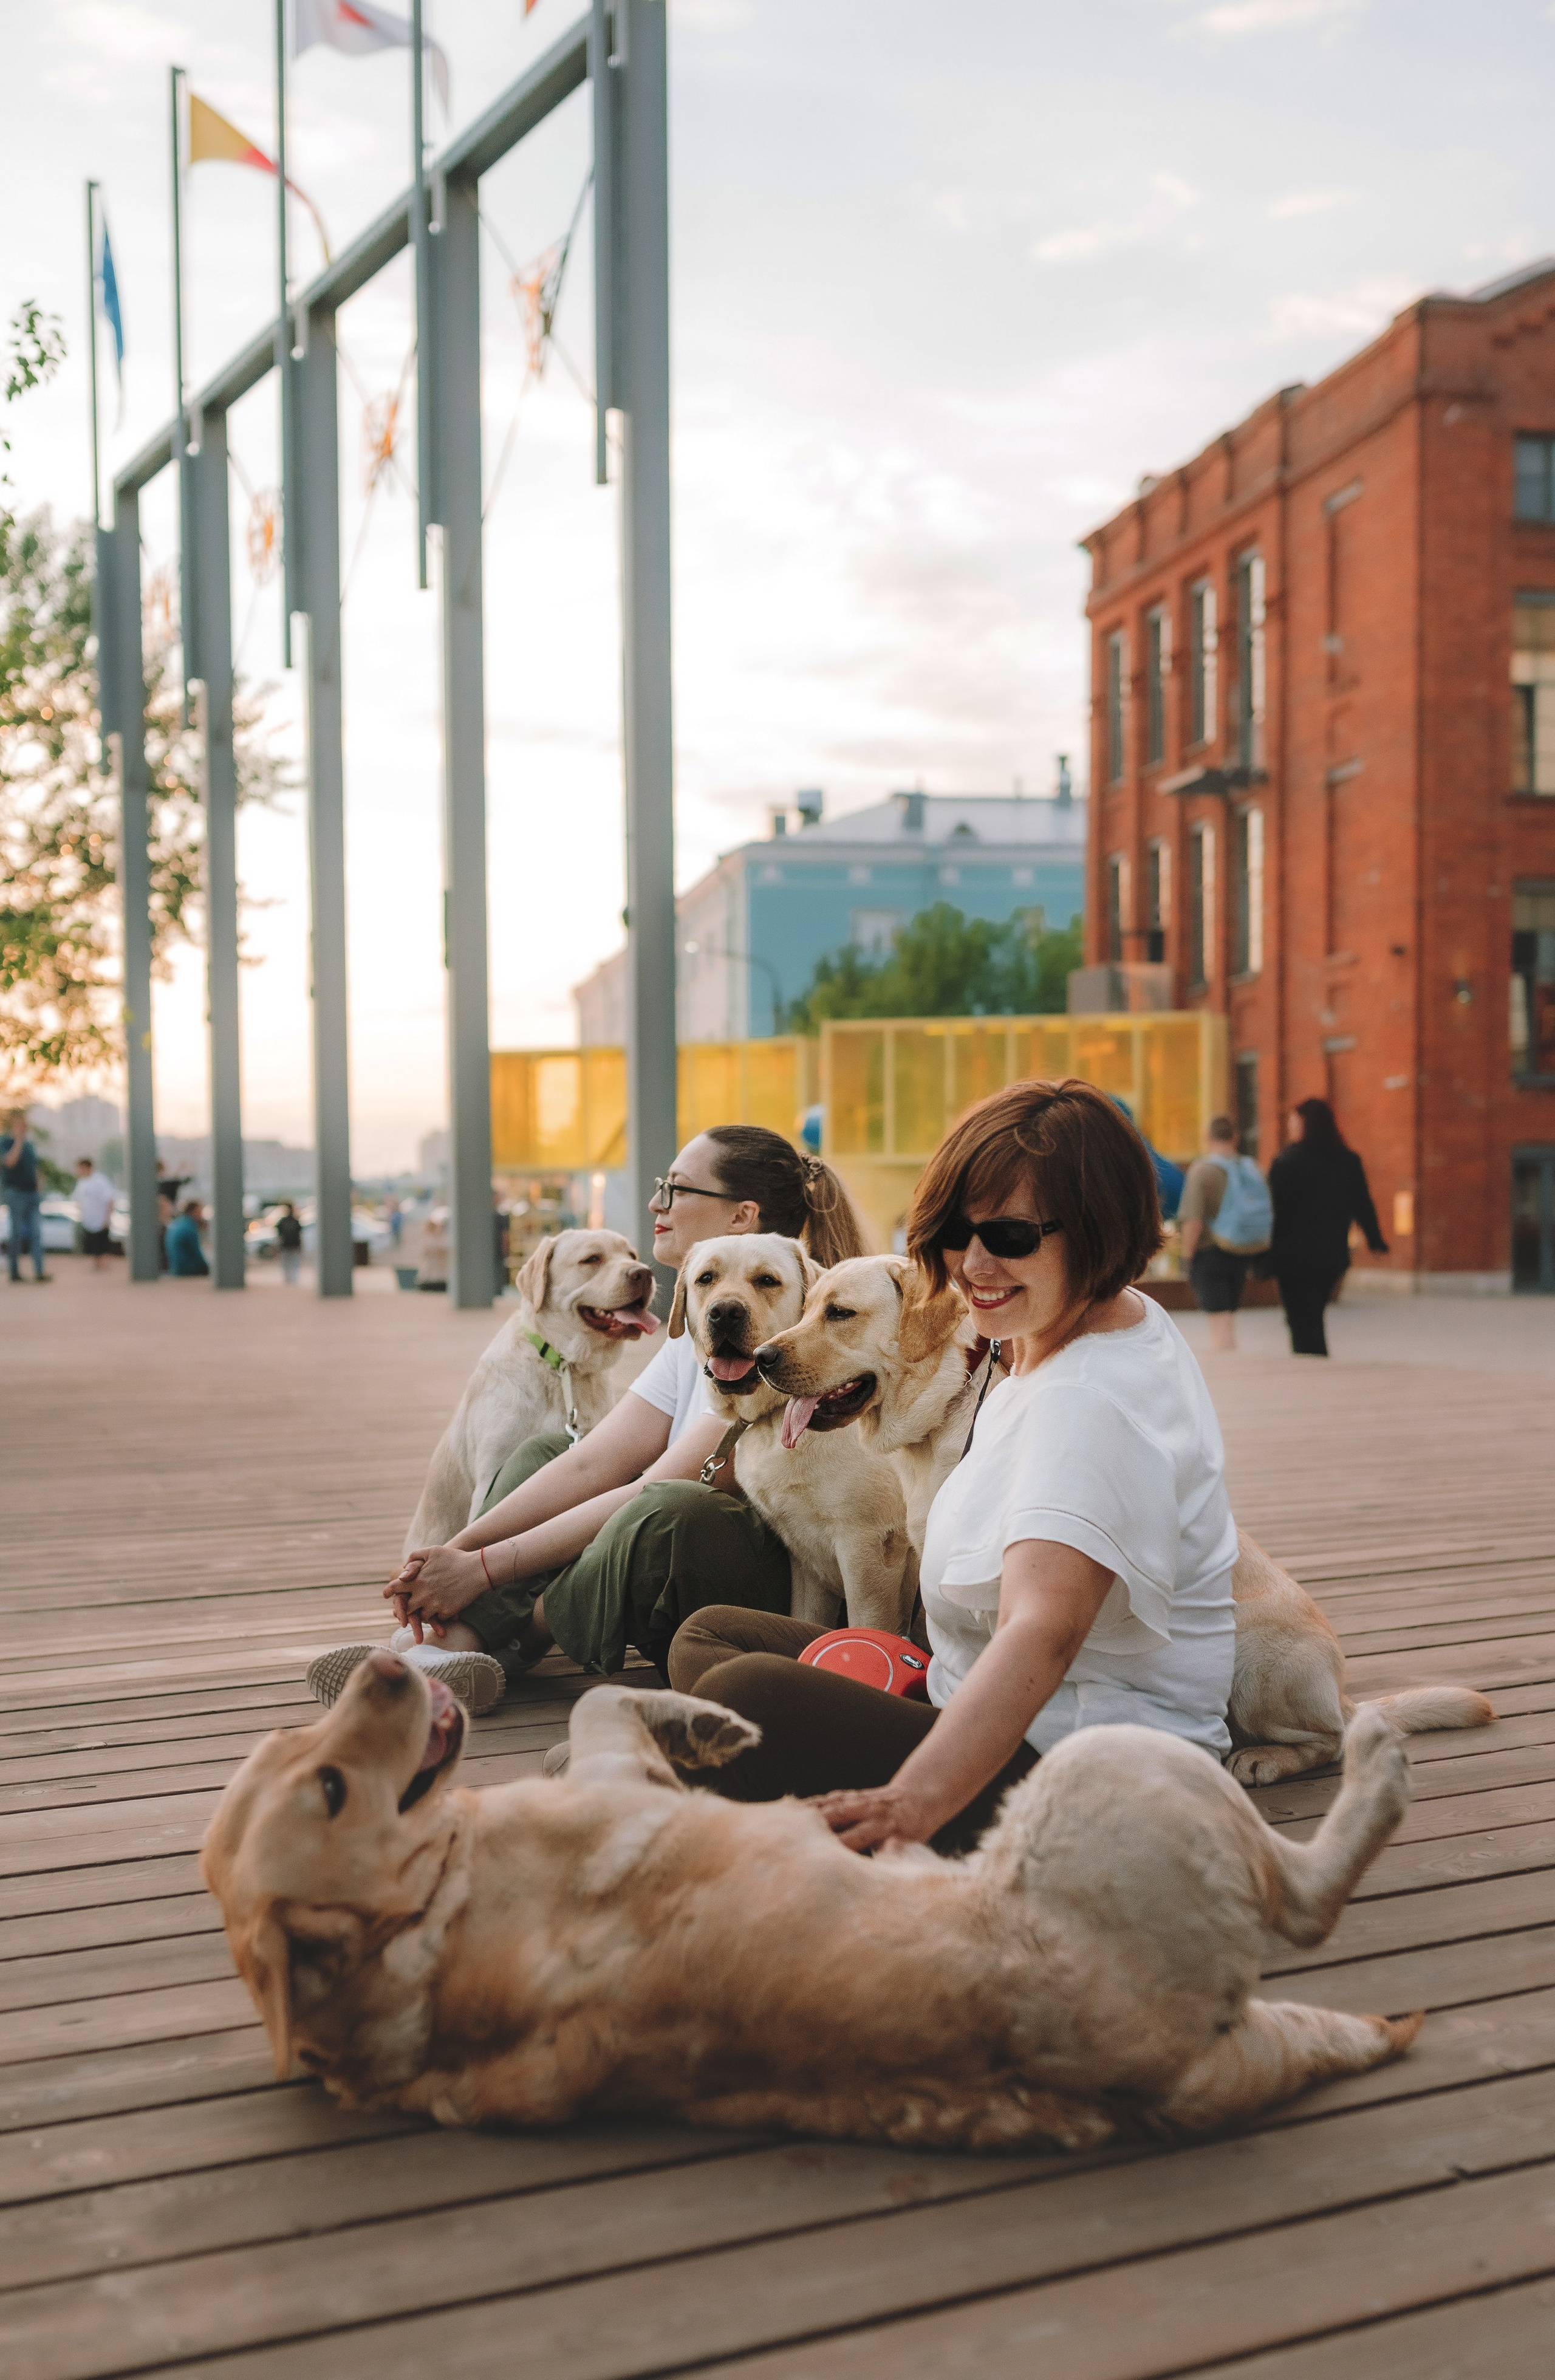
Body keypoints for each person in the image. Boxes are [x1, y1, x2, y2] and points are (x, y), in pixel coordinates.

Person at [668, 1078, 1239, 1859]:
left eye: (1009, 1236)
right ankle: (700, 1791)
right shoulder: (1088, 1328)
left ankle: (696, 1807)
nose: (970, 1265)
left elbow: (1044, 1631)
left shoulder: (1087, 1403)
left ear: (1101, 1229)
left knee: (740, 1691)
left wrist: (910, 1804)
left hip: (1085, 1780)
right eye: (947, 1232)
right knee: (711, 1638)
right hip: (984, 1704)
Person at [306, 1126, 869, 1711]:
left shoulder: (796, 1320)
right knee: (547, 1452)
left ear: (740, 1215)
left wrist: (481, 1570)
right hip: (684, 1555)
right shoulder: (708, 1318)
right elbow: (595, 1462)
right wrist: (455, 1551)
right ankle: (462, 1645)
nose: (657, 1204)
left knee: (663, 1509)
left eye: (675, 1188)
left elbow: (668, 1480)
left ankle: (507, 1642)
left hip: (756, 1596)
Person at [1265, 1098, 1388, 1358]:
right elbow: (1363, 1204)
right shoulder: (1348, 1161)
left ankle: (1311, 1362)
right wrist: (1375, 1240)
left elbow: (1274, 1212)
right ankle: (1314, 1358)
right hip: (1331, 1255)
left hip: (1293, 1256)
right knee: (1312, 1312)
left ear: (1304, 1124)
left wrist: (1265, 1255)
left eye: (1294, 1121)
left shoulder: (1288, 1161)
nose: (1290, 1126)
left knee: (1300, 1316)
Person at [1178, 1113, 1272, 1355]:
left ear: (1207, 1138)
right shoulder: (1252, 1168)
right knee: (1228, 1311)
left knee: (1219, 1317)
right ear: (1236, 1138)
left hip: (1210, 1251)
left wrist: (1188, 1255)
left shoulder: (1203, 1171)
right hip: (1243, 1248)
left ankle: (1227, 1356)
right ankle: (1230, 1349)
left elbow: (1193, 1220)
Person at [2, 1112, 50, 1284]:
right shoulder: (6, 1142)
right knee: (16, 1234)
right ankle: (14, 1273)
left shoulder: (30, 1145)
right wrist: (19, 1140)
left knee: (36, 1234)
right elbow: (10, 1162)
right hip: (15, 1193)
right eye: (19, 1125)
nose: (23, 1128)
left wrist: (39, 1186)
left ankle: (39, 1272)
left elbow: (34, 1167)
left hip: (32, 1194)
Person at [74, 1156, 117, 1271]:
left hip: (101, 1219)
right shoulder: (82, 1182)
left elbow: (110, 1199)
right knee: (93, 1245)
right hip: (89, 1221)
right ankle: (97, 1265)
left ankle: (105, 1267)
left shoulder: (100, 1181)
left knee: (102, 1244)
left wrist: (107, 1218)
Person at [165, 1197, 211, 1277]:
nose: (201, 1215)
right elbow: (197, 1254)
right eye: (200, 1212)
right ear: (194, 1212)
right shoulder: (189, 1228)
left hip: (175, 1268)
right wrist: (208, 1268)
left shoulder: (178, 1223)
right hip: (187, 1270)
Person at [275, 1200, 304, 1286]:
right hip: (293, 1245)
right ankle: (292, 1279)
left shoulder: (283, 1222)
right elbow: (299, 1235)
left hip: (287, 1245)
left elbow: (279, 1236)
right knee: (293, 1263)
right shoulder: (295, 1221)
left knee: (287, 1264)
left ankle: (289, 1279)